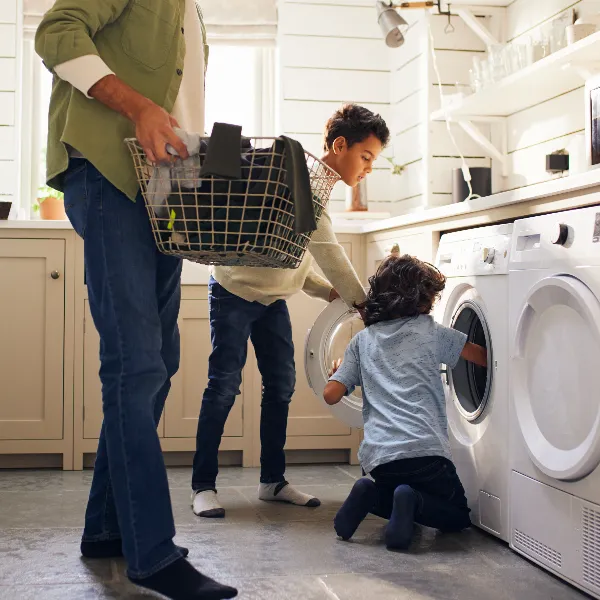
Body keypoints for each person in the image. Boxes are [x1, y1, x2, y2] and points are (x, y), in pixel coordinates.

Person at [35, 2, 237, 598]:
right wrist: (139, 106)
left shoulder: (192, 13)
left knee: (158, 364)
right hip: (107, 175)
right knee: (136, 365)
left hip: (165, 191)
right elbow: (56, 31)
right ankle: (152, 553)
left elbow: (178, 107)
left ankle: (104, 530)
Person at [191, 104, 390, 518]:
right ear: (340, 146)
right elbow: (328, 251)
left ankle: (272, 481)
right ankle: (203, 486)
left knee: (280, 386)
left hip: (273, 298)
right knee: (224, 385)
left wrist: (325, 291)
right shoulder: (304, 180)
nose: (368, 168)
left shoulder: (316, 187)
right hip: (234, 289)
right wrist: (364, 303)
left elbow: (293, 256)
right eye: (366, 157)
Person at [324, 254, 488, 550]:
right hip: (427, 455)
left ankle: (369, 493)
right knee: (456, 516)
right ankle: (410, 500)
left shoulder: (362, 341)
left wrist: (339, 373)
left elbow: (331, 394)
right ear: (422, 301)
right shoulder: (431, 332)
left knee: (392, 489)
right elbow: (482, 357)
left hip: (380, 460)